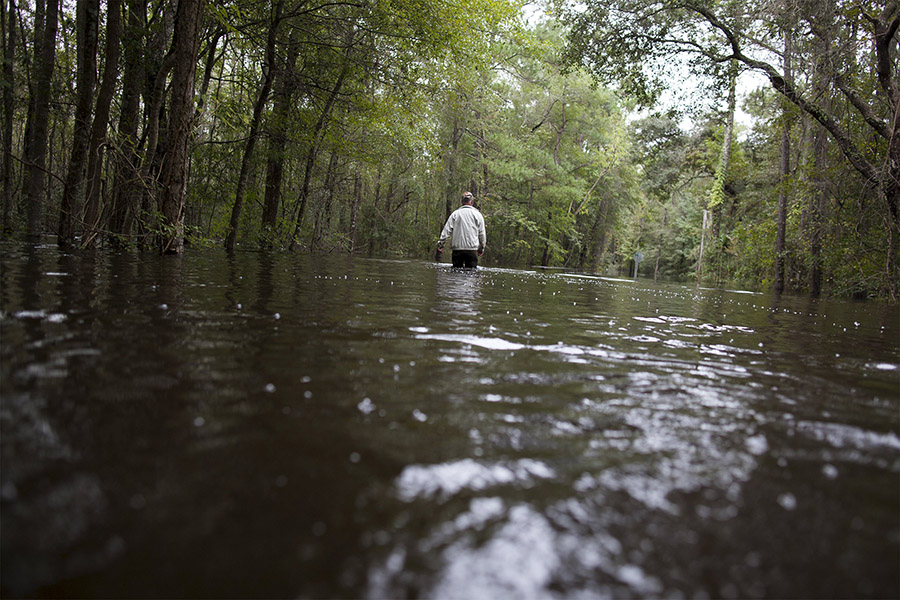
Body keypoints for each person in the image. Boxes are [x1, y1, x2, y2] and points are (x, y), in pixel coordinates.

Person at [436, 192, 486, 269]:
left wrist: (441, 244)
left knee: (456, 273)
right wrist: (481, 248)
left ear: (462, 202)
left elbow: (446, 231)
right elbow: (482, 234)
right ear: (472, 202)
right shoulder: (478, 215)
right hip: (472, 250)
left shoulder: (455, 214)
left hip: (457, 250)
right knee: (471, 274)